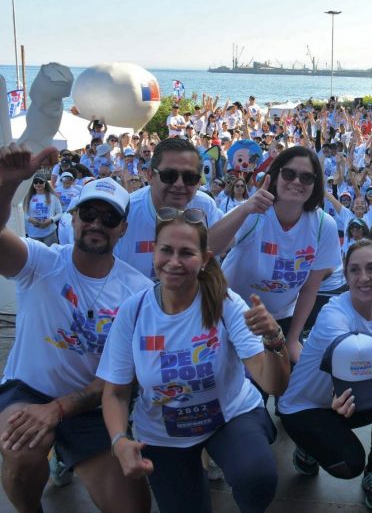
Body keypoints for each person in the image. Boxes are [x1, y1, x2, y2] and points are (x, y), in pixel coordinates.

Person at [98, 206, 291, 513]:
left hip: (229, 416)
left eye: (186, 253)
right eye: (166, 251)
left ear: (204, 259)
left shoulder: (225, 303)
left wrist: (273, 338)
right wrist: (119, 440)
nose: (174, 262)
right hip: (163, 433)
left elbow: (273, 384)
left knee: (257, 477)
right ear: (153, 254)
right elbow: (116, 392)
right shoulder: (133, 312)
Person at [0, 143, 152, 513]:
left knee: (133, 508)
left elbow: (124, 377)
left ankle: (65, 451)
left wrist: (60, 409)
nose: (97, 223)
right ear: (72, 217)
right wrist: (7, 183)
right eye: (89, 213)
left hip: (92, 403)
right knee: (22, 448)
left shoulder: (139, 292)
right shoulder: (40, 261)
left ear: (123, 229)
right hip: (28, 390)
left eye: (109, 218)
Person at [278, 240, 372, 510]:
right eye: (355, 270)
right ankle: (307, 446)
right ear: (346, 276)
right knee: (349, 465)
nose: (364, 278)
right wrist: (347, 393)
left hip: (344, 401)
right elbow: (349, 354)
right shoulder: (333, 313)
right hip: (303, 407)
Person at [212, 146, 342, 359]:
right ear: (275, 176)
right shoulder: (254, 212)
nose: (297, 181)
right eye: (289, 174)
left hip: (281, 319)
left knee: (290, 384)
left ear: (315, 184)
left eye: (307, 177)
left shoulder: (323, 226)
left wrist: (292, 339)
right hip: (232, 315)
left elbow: (310, 289)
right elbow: (209, 247)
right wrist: (244, 209)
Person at [114, 137, 223, 280]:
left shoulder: (205, 207)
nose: (179, 184)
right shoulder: (125, 211)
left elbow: (211, 266)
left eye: (189, 177)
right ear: (150, 176)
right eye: (169, 176)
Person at [24, 174, 63, 245]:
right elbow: (24, 214)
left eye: (41, 182)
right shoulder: (28, 197)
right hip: (33, 234)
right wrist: (31, 220)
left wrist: (51, 220)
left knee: (51, 255)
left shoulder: (53, 196)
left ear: (45, 183)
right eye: (35, 182)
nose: (38, 184)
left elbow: (60, 213)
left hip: (50, 233)